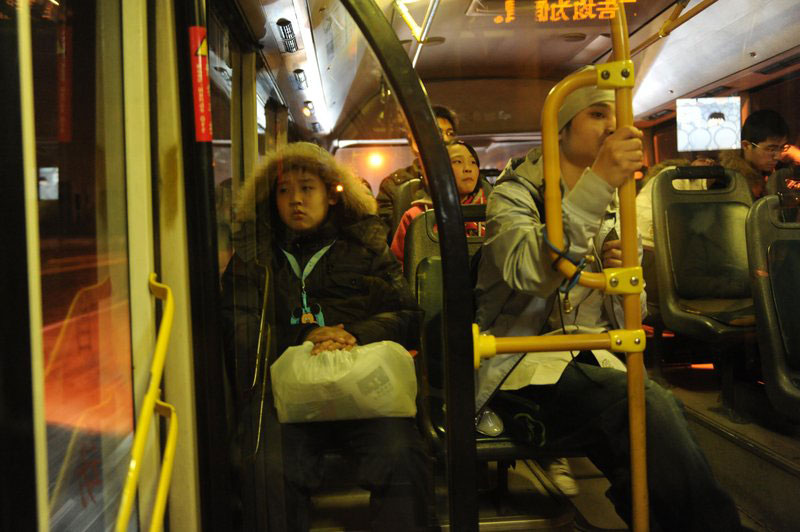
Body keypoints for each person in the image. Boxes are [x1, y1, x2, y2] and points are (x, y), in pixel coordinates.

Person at [474, 80, 743, 529]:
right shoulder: (513, 196)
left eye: (616, 118)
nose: (611, 127)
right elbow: (531, 273)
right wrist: (598, 181)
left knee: (651, 433)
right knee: (644, 407)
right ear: (560, 129)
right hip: (522, 365)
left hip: (596, 356)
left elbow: (629, 314)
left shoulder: (617, 205)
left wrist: (622, 284)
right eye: (597, 115)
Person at [221, 142, 430, 531]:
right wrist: (305, 335)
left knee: (402, 456)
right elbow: (238, 324)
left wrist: (352, 334)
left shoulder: (365, 247)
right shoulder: (256, 256)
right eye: (284, 190)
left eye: (307, 188)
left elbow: (406, 316)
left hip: (360, 385)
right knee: (266, 466)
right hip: (284, 392)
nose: (295, 200)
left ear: (332, 195)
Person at [390, 140, 491, 266]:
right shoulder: (417, 216)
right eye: (458, 162)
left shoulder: (492, 212)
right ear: (438, 170)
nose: (468, 169)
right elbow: (398, 266)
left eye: (473, 162)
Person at [377, 105, 458, 238]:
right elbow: (386, 237)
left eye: (450, 133)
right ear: (415, 140)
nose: (446, 139)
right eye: (437, 132)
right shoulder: (395, 185)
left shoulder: (469, 181)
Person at [719, 109, 789, 199]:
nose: (778, 157)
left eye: (782, 148)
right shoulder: (727, 184)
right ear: (746, 145)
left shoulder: (776, 171)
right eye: (771, 149)